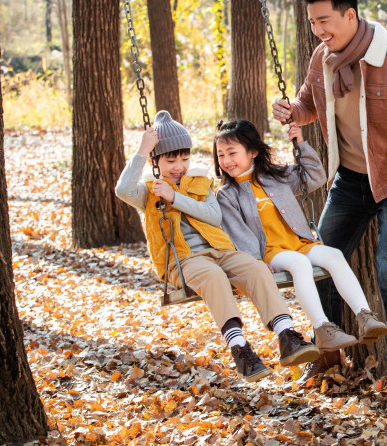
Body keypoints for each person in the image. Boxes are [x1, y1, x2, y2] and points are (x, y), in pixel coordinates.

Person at [271, 0, 387, 407]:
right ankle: (329, 353)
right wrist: (291, 112)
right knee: (318, 259)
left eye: (325, 21)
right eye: (313, 23)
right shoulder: (321, 59)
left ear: (350, 15)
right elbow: (308, 105)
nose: (319, 31)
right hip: (349, 182)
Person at [115, 111, 320, 383]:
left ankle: (287, 336)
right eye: (170, 159)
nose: (179, 166)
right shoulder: (149, 191)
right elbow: (122, 189)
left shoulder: (200, 183)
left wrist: (175, 197)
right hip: (184, 260)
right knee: (214, 277)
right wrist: (142, 150)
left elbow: (213, 216)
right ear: (156, 160)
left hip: (221, 251)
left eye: (184, 158)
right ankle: (240, 349)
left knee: (256, 268)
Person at [213, 119, 387, 356]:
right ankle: (323, 328)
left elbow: (315, 177)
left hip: (300, 242)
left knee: (334, 255)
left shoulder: (277, 176)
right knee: (300, 264)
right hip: (271, 253)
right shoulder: (227, 195)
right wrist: (255, 261)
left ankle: (365, 317)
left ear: (253, 151)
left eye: (232, 153)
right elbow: (238, 233)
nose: (226, 160)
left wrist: (301, 144)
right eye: (221, 154)